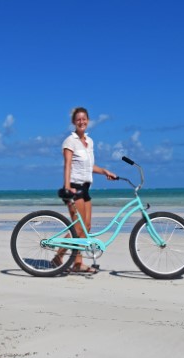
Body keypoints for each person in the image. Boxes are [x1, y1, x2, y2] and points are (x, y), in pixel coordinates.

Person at [54, 106, 117, 273]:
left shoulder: (89, 142)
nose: (82, 121)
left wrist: (104, 171)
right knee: (78, 229)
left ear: (88, 121)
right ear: (74, 122)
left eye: (84, 119)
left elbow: (88, 166)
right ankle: (67, 260)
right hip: (74, 188)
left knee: (86, 227)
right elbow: (67, 165)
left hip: (86, 188)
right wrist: (67, 188)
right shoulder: (70, 141)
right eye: (78, 119)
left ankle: (68, 260)